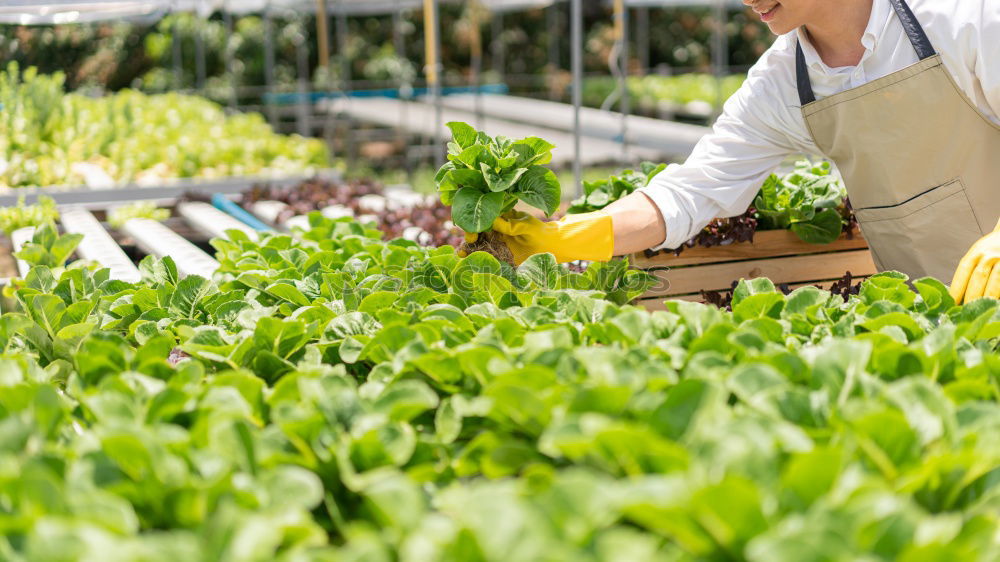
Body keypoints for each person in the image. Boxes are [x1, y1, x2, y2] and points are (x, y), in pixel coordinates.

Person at [476, 0, 1000, 304]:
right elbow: (697, 188)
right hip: (931, 317)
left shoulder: (962, 20)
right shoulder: (783, 79)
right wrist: (572, 235)